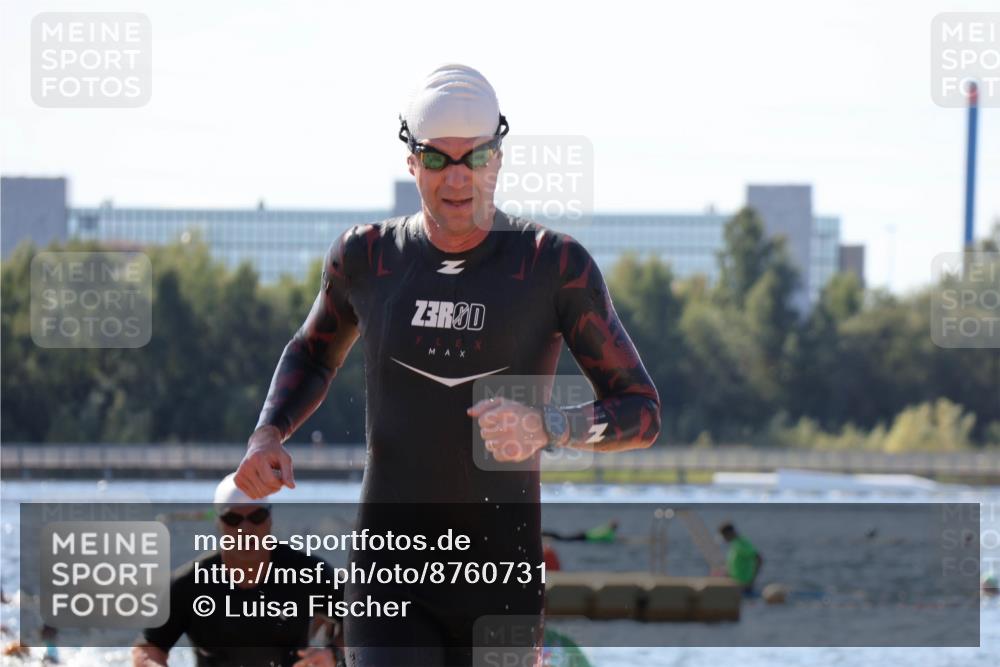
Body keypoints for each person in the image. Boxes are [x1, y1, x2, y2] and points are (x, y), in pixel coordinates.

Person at [234, 63, 661, 666]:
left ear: (499, 157)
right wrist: (267, 434)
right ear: (411, 161)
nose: (457, 178)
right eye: (437, 159)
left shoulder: (553, 265)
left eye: (474, 158)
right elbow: (311, 350)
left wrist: (549, 427)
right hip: (389, 580)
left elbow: (641, 411)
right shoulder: (367, 258)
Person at [132, 474, 342, 667]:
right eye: (233, 519)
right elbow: (147, 649)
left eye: (256, 517)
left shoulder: (305, 573)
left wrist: (334, 654)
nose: (245, 529)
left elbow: (367, 616)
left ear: (269, 519)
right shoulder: (189, 584)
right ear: (219, 523)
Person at [718, 521, 763, 596]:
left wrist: (752, 580)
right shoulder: (734, 544)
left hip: (745, 586)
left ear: (729, 533)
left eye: (724, 536)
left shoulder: (742, 543)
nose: (724, 539)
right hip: (734, 585)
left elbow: (759, 558)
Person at [542, 519, 619, 543]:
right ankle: (544, 533)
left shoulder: (606, 529)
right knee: (563, 539)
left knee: (562, 537)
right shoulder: (609, 533)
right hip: (584, 537)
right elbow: (611, 539)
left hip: (584, 535)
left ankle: (544, 533)